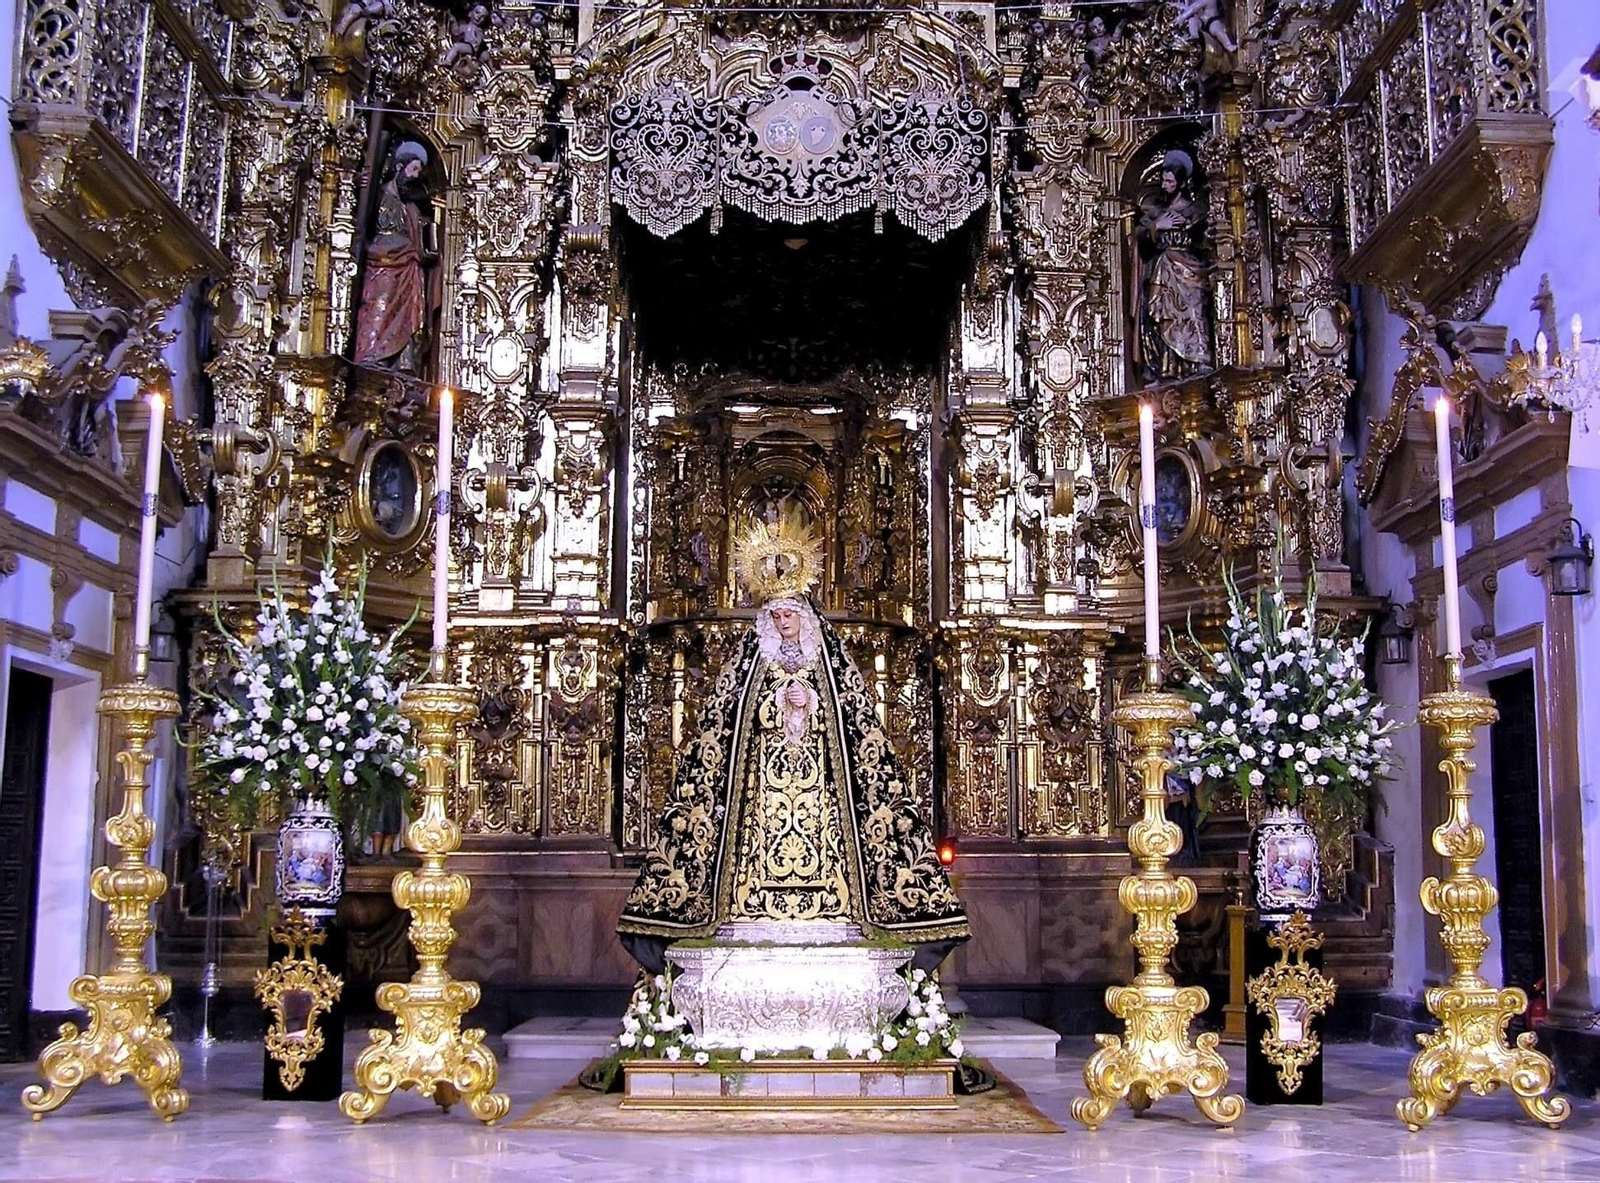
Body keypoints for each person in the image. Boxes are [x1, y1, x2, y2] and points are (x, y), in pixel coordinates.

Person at [617, 509, 969, 971]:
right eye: (777, 614)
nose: (784, 622)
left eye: (790, 614)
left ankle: (835, 905)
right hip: (763, 783)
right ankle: (748, 904)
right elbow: (730, 725)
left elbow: (853, 728)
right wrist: (776, 704)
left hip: (819, 784)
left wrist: (813, 706)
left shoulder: (828, 666)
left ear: (804, 616)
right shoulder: (754, 664)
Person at [352, 140, 435, 373]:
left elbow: (419, 242)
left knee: (408, 318)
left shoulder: (411, 208)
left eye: (419, 171)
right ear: (399, 167)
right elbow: (361, 231)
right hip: (382, 269)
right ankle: (371, 356)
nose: (416, 176)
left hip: (407, 273)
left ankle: (404, 364)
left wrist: (420, 252)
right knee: (378, 309)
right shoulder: (377, 198)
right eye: (414, 169)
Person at [1135, 149, 1213, 382]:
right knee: (1163, 314)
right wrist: (1157, 226)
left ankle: (1196, 360)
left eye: (1170, 181)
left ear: (1180, 183)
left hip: (1190, 272)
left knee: (1194, 309)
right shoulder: (1157, 212)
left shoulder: (1194, 210)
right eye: (1163, 180)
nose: (1165, 184)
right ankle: (1166, 366)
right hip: (1164, 270)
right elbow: (1139, 236)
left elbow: (1208, 239)